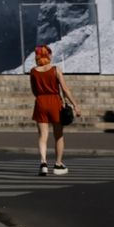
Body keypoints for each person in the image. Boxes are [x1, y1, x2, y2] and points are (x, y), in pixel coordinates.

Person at [30, 44, 80, 175]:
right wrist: (75, 104)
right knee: (58, 136)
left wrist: (41, 97)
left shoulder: (34, 71)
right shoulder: (55, 69)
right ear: (48, 55)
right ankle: (58, 165)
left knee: (42, 136)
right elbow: (65, 89)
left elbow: (34, 91)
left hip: (40, 102)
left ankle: (43, 162)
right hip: (55, 102)